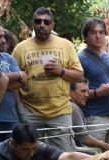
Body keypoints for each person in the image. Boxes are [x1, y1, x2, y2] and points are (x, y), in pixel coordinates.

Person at [11, 7, 84, 152]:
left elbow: (79, 75)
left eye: (46, 22)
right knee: (30, 156)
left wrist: (60, 71)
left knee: (63, 157)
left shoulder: (65, 45)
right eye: (38, 21)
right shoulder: (21, 48)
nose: (42, 25)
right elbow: (11, 80)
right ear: (33, 24)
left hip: (60, 111)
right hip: (30, 112)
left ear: (52, 25)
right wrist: (20, 108)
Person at [78, 18, 109, 145]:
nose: (98, 36)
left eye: (101, 32)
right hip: (94, 117)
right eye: (93, 33)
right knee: (95, 159)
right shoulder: (80, 59)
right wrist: (97, 93)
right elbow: (74, 93)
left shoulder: (108, 57)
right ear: (85, 37)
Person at [69, 79, 109, 152]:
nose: (86, 95)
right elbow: (83, 137)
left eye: (88, 91)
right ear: (70, 92)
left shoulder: (74, 106)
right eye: (83, 91)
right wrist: (107, 146)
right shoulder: (73, 107)